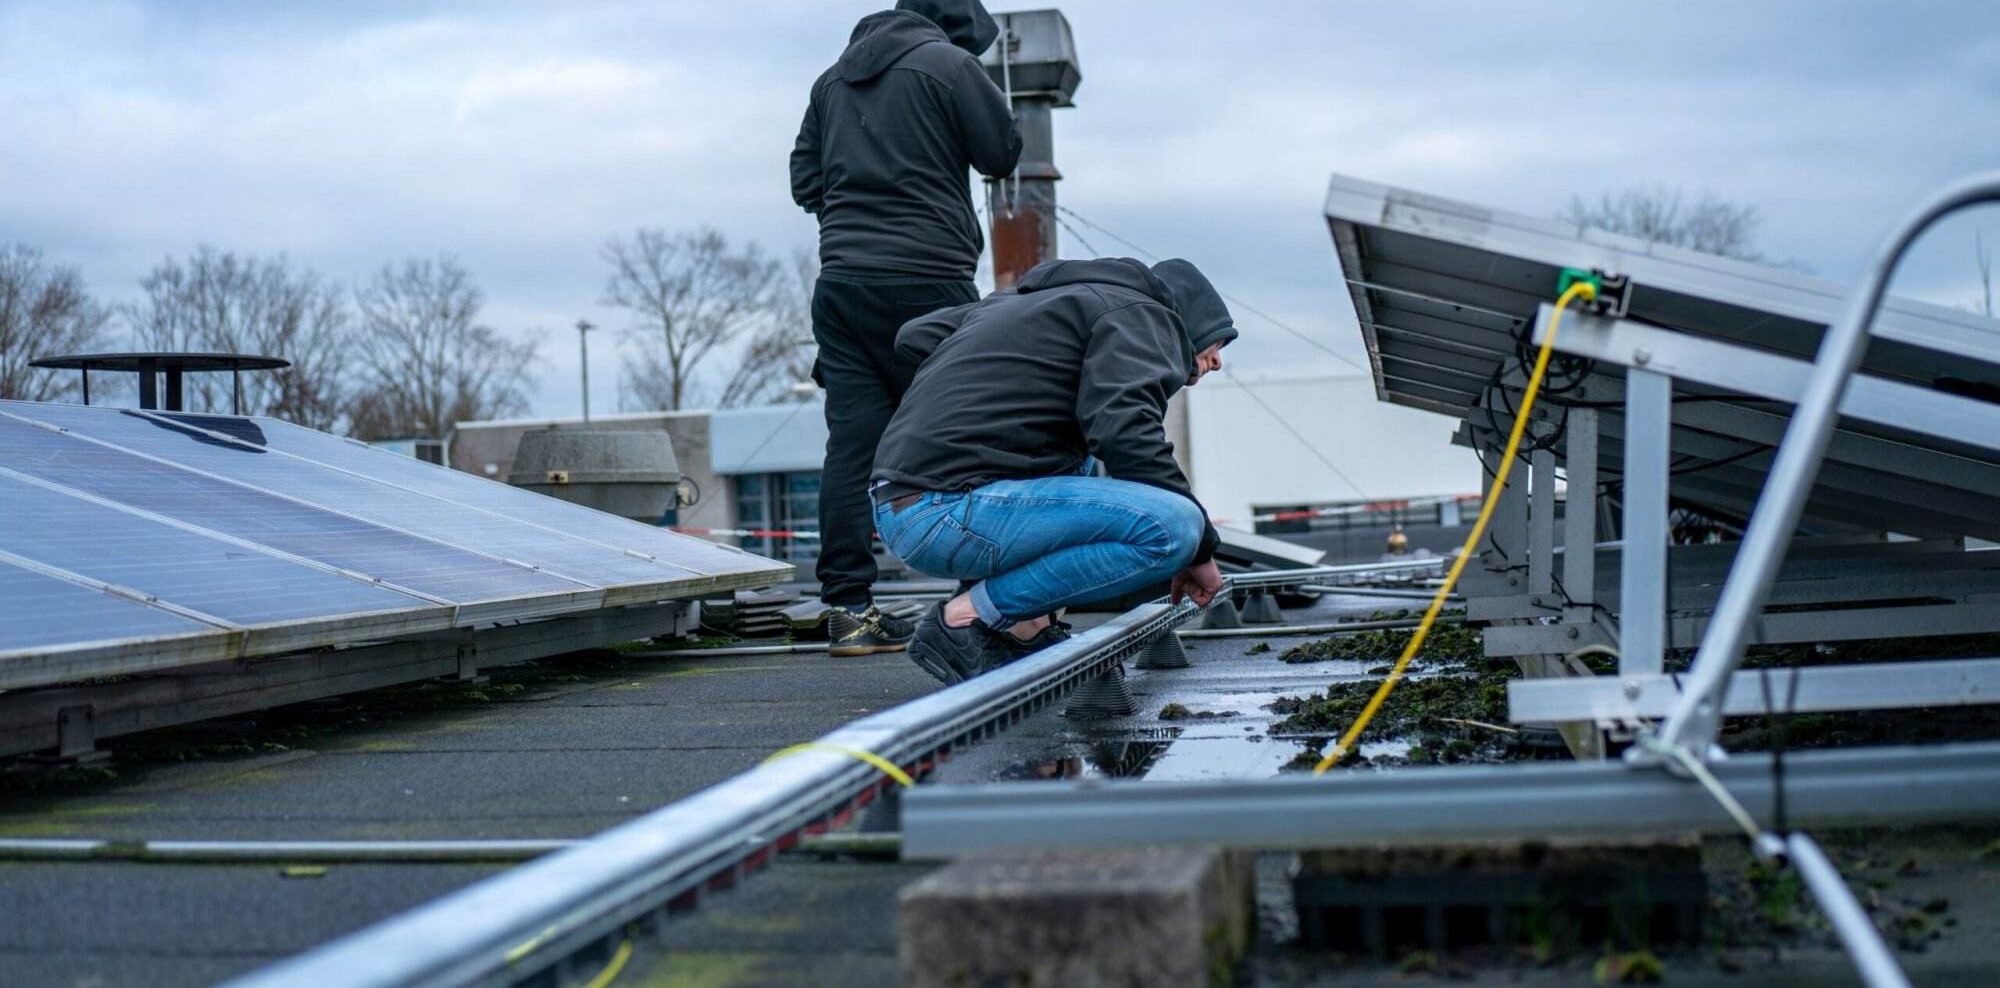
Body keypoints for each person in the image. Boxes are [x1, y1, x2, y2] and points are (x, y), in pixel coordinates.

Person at [870, 257, 1238, 683]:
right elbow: (1125, 431)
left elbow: (915, 336)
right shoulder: (1141, 314)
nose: (1217, 361)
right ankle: (964, 618)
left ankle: (1029, 628)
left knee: (1076, 451)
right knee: (1174, 526)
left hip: (901, 504)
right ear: (1187, 320)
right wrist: (1201, 549)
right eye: (1217, 344)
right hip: (951, 509)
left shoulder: (1014, 305)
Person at [789, 0, 1022, 657]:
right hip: (930, 282)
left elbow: (804, 179)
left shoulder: (830, 81)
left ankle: (848, 611)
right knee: (960, 435)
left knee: (853, 446)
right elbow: (1002, 153)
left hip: (843, 286)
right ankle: (975, 606)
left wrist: (849, 217)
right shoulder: (949, 66)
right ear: (956, 26)